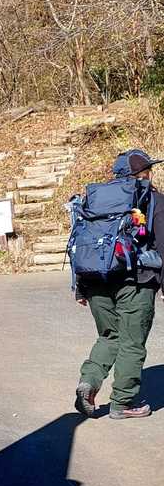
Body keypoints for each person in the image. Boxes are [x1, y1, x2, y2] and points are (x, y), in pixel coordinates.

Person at [73, 149, 162, 419]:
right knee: (131, 342)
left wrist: (81, 287)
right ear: (141, 174)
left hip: (95, 279)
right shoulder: (153, 199)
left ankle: (88, 382)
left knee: (109, 336)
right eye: (148, 170)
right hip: (136, 281)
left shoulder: (95, 200)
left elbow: (81, 241)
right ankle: (122, 403)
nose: (151, 173)